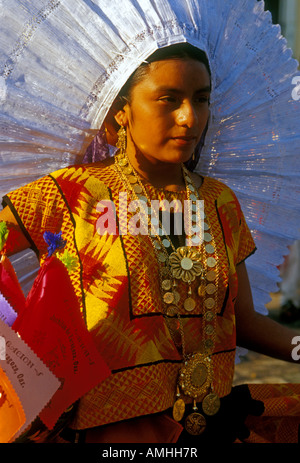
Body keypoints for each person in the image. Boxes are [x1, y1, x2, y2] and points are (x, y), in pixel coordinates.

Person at [1, 42, 300, 444]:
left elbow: (242, 321)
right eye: (168, 99)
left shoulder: (218, 202)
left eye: (201, 99)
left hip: (209, 423)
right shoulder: (73, 193)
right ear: (120, 111)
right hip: (104, 432)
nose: (189, 117)